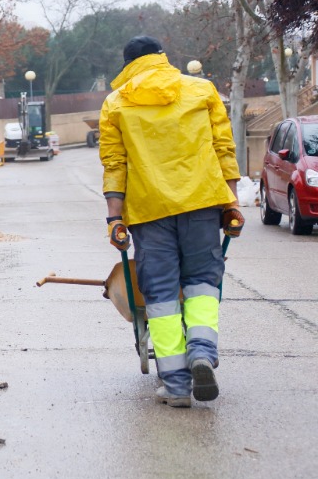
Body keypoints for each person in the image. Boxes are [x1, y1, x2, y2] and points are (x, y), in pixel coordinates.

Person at [99, 36, 242, 408]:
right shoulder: (201, 89)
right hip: (203, 203)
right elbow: (223, 149)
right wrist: (232, 203)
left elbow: (115, 165)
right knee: (202, 283)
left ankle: (177, 386)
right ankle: (201, 350)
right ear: (163, 57)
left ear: (127, 64)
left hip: (150, 212)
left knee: (160, 295)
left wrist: (115, 218)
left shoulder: (116, 103)